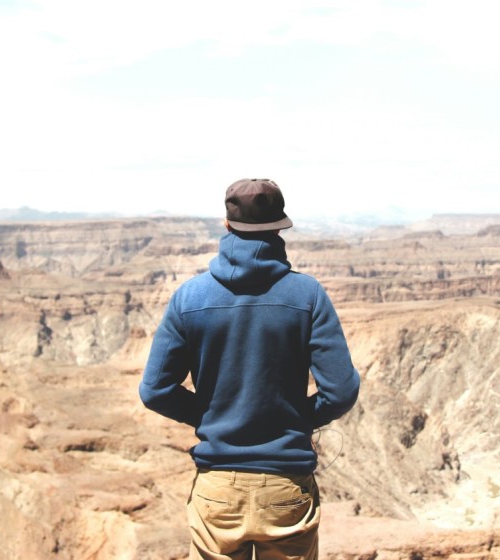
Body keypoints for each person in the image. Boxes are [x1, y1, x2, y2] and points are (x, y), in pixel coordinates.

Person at [139, 178, 360, 560]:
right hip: (286, 488)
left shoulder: (189, 298)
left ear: (226, 225)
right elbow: (340, 391)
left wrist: (210, 415)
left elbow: (155, 390)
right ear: (281, 227)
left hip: (218, 490)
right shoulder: (308, 296)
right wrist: (296, 418)